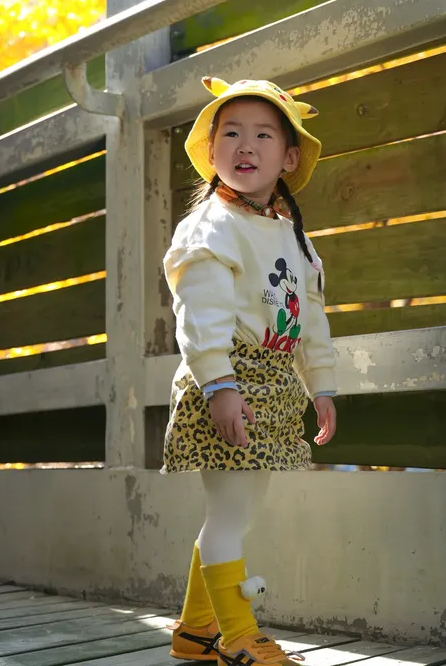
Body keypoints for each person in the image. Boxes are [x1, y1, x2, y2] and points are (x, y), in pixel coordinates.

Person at [162, 77, 338, 666]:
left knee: (234, 512)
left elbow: (310, 315)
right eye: (230, 132)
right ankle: (238, 635)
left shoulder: (291, 234)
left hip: (274, 384)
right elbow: (201, 314)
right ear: (211, 153)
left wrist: (323, 385)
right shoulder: (211, 226)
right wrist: (219, 384)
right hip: (229, 380)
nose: (246, 144)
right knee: (232, 513)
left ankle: (194, 630)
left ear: (289, 158)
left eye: (264, 134)